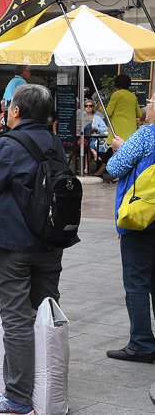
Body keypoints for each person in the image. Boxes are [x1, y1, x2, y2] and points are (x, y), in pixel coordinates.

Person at [0, 84, 78, 414]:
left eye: (9, 106)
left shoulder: (8, 144)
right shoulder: (54, 142)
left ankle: (18, 397)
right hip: (52, 240)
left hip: (13, 242)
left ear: (16, 111)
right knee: (44, 312)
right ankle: (46, 384)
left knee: (17, 319)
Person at [104, 93, 155, 363]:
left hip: (141, 217)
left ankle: (142, 342)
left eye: (149, 102)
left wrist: (120, 149)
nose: (146, 107)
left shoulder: (146, 136)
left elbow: (115, 167)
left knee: (136, 281)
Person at [107, 74, 144, 141]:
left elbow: (108, 113)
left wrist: (100, 108)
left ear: (117, 84)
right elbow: (139, 114)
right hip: (131, 132)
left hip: (117, 132)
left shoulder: (116, 94)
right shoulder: (133, 96)